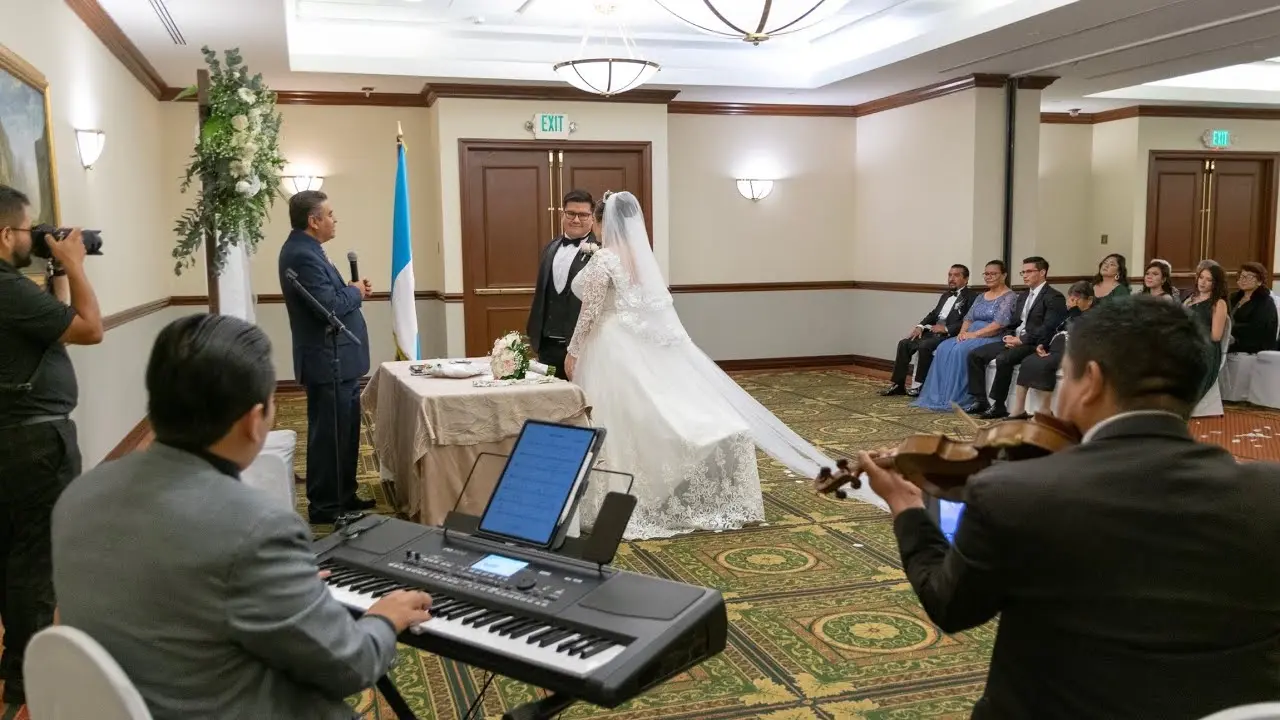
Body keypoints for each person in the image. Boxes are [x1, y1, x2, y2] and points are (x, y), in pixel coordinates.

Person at [863, 296, 1280, 720]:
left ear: (1092, 381)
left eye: (1065, 376)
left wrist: (906, 505)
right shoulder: (1271, 492)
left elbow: (951, 605)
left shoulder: (1016, 491)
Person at [52, 314, 434, 720]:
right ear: (255, 421)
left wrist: (281, 584)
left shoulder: (79, 495)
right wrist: (382, 618)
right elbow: (349, 667)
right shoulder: (257, 527)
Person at [563, 191, 885, 539]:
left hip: (609, 342)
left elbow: (590, 312)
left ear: (600, 222)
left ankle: (621, 494)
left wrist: (574, 351)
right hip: (632, 339)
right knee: (640, 412)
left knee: (619, 416)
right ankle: (652, 484)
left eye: (593, 222)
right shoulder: (640, 261)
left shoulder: (605, 260)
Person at [0, 184, 103, 703]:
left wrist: (58, 271)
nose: (35, 238)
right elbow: (89, 329)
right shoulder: (5, 288)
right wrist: (77, 264)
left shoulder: (14, 293)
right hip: (35, 444)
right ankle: (30, 677)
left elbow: (55, 327)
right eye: (29, 229)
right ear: (5, 235)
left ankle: (18, 663)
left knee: (16, 558)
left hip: (14, 440)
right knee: (37, 563)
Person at [965, 256, 1067, 419]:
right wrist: (1008, 337)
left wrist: (1022, 340)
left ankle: (998, 405)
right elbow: (1014, 323)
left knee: (1004, 359)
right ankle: (981, 400)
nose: (1025, 275)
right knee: (975, 355)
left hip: (1034, 343)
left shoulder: (1054, 297)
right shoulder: (1023, 295)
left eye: (1029, 271)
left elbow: (1048, 328)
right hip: (1015, 340)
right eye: (1023, 272)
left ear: (1042, 272)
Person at [912, 261, 1016, 412]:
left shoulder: (1009, 296)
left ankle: (960, 398)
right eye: (986, 274)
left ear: (1004, 275)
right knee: (943, 347)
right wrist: (962, 333)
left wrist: (974, 334)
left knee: (959, 350)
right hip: (970, 333)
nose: (989, 277)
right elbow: (968, 318)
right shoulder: (981, 296)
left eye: (993, 273)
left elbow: (999, 324)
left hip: (991, 336)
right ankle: (940, 396)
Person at [528, 189, 596, 380]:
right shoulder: (550, 247)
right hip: (546, 346)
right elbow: (541, 293)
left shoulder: (601, 251)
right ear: (562, 215)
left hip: (581, 349)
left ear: (592, 217)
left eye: (583, 214)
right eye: (571, 214)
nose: (576, 220)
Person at [881, 265, 976, 397]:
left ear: (966, 279)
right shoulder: (945, 295)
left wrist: (946, 329)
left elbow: (968, 319)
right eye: (949, 275)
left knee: (925, 346)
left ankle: (920, 385)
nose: (951, 279)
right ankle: (898, 384)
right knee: (904, 343)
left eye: (956, 275)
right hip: (933, 331)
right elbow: (933, 314)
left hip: (949, 335)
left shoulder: (972, 297)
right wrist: (920, 326)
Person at [1006, 280, 1095, 419]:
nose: (1073, 302)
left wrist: (1075, 311)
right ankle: (1018, 409)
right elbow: (1052, 329)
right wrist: (1042, 345)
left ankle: (1045, 410)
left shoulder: (1092, 315)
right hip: (1053, 348)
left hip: (1072, 350)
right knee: (1029, 361)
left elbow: (1079, 330)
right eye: (1071, 298)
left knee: (1045, 365)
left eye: (1077, 299)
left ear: (1089, 300)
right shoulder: (1068, 314)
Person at [1184, 260, 1229, 394]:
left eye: (1208, 280)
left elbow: (1215, 336)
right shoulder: (1190, 300)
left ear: (1216, 283)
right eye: (1201, 277)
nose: (1202, 282)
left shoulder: (1218, 303)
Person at [1227, 262, 1277, 354]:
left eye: (1249, 277)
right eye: (1241, 276)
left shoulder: (1265, 302)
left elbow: (1257, 330)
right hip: (1228, 342)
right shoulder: (1233, 297)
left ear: (1259, 281)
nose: (1243, 280)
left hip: (1251, 350)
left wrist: (1228, 330)